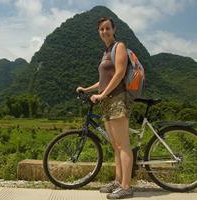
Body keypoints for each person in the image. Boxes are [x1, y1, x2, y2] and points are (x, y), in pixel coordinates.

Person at [76, 17, 134, 199]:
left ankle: (126, 186)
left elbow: (119, 74)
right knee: (116, 146)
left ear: (114, 29)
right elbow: (103, 80)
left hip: (117, 99)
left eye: (107, 28)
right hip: (107, 102)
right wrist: (88, 89)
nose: (104, 31)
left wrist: (101, 95)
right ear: (98, 32)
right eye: (101, 29)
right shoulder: (106, 52)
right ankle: (118, 182)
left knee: (123, 145)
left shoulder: (120, 47)